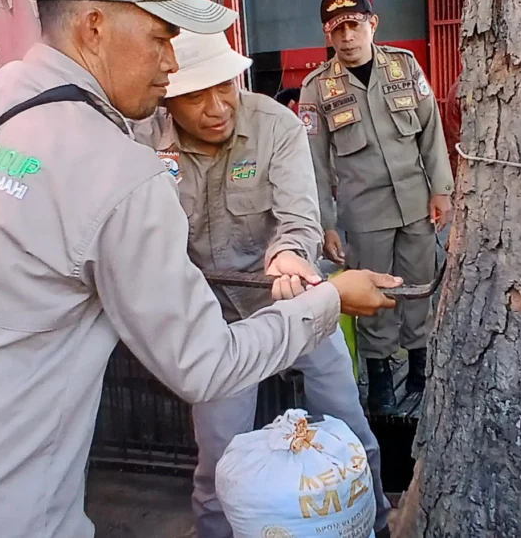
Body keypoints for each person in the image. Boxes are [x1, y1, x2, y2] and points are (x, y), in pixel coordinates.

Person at [0, 0, 400, 538]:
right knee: (219, 465)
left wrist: (292, 259)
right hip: (6, 508)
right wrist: (333, 297)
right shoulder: (118, 165)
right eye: (159, 37)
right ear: (96, 26)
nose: (171, 62)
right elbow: (203, 364)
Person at [133, 31, 392, 538]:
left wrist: (290, 255)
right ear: (166, 97)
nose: (216, 108)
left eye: (224, 87)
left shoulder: (276, 126)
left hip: (296, 304)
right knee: (217, 463)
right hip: (215, 322)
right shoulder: (144, 139)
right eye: (194, 95)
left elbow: (299, 215)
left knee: (351, 433)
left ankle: (376, 524)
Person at [299, 0, 455, 414]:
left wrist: (442, 189)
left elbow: (430, 130)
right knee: (374, 297)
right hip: (363, 213)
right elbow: (313, 163)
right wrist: (326, 223)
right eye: (338, 30)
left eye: (354, 25)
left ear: (373, 23)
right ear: (328, 36)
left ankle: (422, 368)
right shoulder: (317, 87)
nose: (347, 37)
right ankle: (382, 377)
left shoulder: (404, 67)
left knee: (419, 287)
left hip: (416, 203)